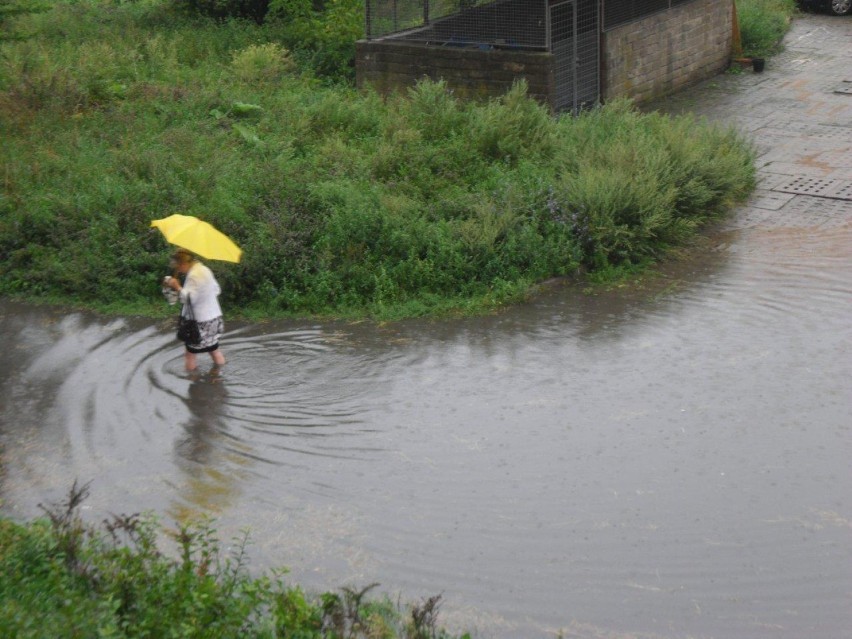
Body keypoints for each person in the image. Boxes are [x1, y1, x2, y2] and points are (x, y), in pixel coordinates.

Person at [163, 249, 226, 371]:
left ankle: (193, 385)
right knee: (214, 350)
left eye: (178, 266)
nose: (178, 270)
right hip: (214, 319)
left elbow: (188, 299)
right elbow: (217, 290)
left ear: (182, 263)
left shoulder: (193, 276)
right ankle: (220, 376)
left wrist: (177, 287)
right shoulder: (205, 269)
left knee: (189, 355)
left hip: (200, 323)